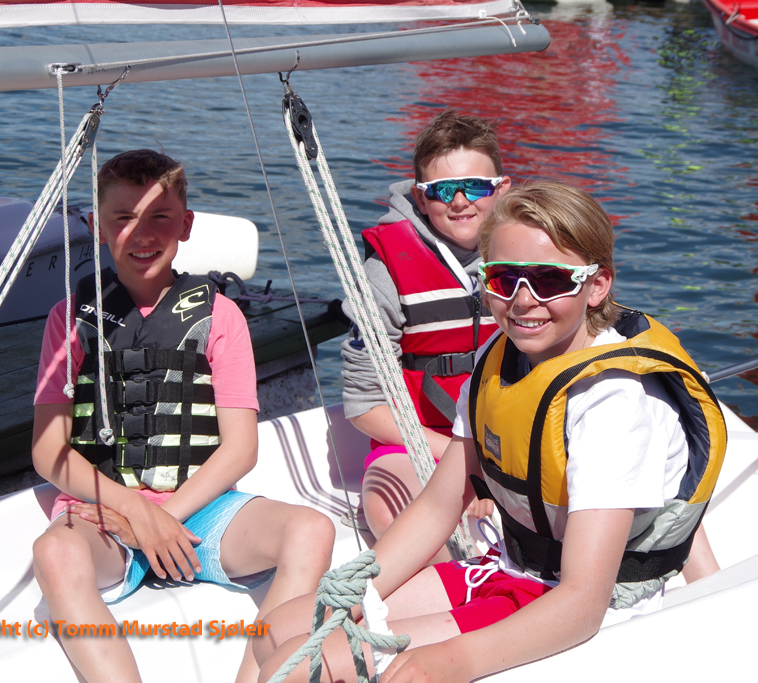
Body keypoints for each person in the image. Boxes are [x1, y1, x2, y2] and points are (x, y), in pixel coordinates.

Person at [254, 181, 727, 683]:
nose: (522, 301)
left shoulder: (613, 404)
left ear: (597, 285)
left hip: (581, 607)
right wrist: (352, 589)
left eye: (549, 280)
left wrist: (452, 660)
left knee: (301, 666)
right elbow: (438, 508)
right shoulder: (496, 359)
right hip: (508, 571)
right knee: (277, 629)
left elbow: (584, 600)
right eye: (503, 279)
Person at [30, 149, 335, 683]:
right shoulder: (68, 319)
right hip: (106, 515)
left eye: (160, 217)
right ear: (98, 227)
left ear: (186, 225)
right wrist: (133, 511)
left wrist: (164, 517)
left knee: (311, 530)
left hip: (201, 512)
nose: (142, 234)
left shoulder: (222, 316)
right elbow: (47, 450)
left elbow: (240, 449)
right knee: (54, 553)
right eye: (124, 218)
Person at [342, 110, 508, 549]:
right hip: (416, 443)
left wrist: (492, 464)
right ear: (420, 195)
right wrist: (461, 459)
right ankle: (445, 589)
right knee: (392, 511)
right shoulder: (384, 270)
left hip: (508, 439)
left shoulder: (527, 257)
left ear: (501, 189)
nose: (460, 202)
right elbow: (363, 405)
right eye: (442, 190)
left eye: (475, 186)